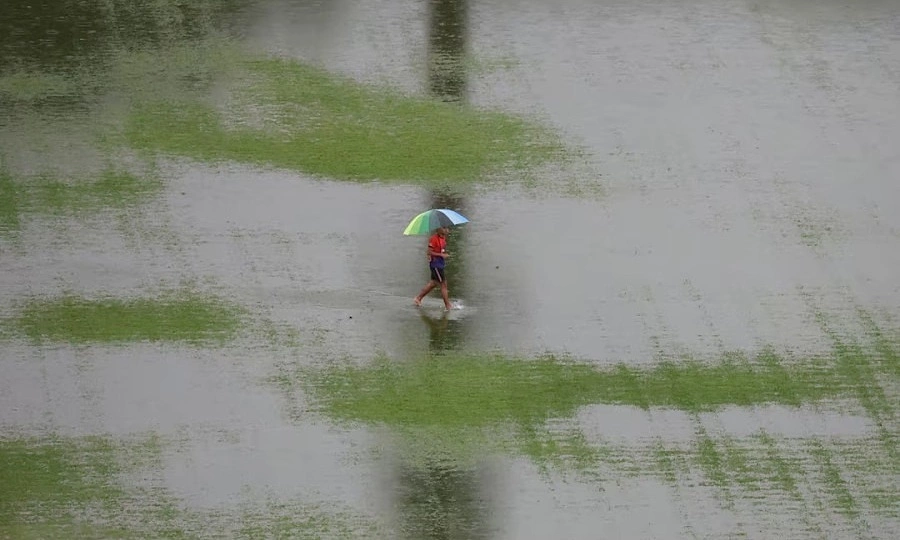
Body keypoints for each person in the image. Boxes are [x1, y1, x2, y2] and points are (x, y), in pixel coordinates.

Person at [414, 226, 453, 310]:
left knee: (434, 283)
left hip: (440, 263)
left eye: (446, 228)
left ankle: (418, 298)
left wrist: (443, 254)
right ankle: (448, 305)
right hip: (436, 265)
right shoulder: (433, 239)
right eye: (444, 228)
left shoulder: (443, 238)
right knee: (443, 284)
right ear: (438, 229)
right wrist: (441, 255)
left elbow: (441, 249)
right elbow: (429, 252)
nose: (446, 230)